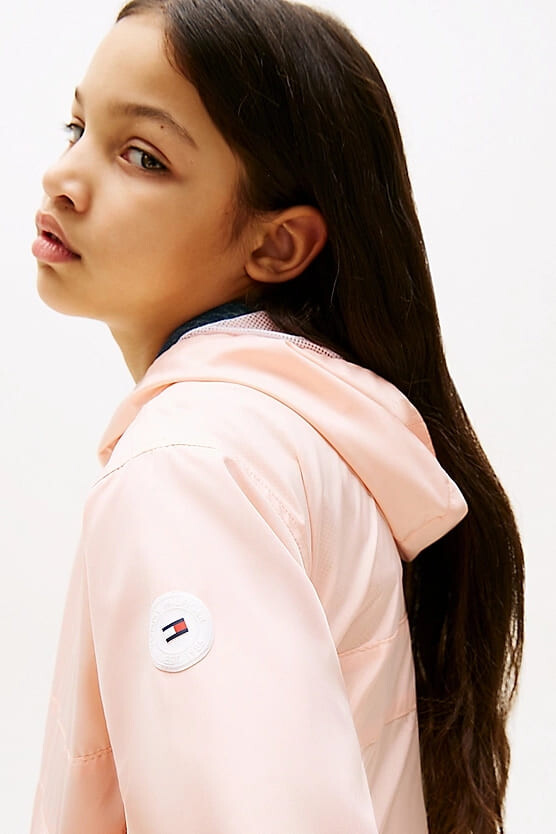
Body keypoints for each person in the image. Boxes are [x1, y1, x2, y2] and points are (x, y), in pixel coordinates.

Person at [29, 1, 524, 832]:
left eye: (143, 156)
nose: (63, 178)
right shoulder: (300, 441)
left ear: (277, 245)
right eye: (76, 127)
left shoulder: (190, 466)